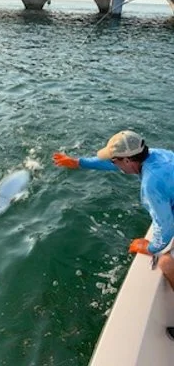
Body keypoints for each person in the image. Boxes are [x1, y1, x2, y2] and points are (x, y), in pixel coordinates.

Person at [53, 130, 174, 338]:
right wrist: (79, 162)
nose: (114, 165)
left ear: (127, 160)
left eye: (116, 161)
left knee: (165, 263)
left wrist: (150, 247)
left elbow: (166, 227)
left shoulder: (150, 183)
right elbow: (111, 163)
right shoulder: (157, 154)